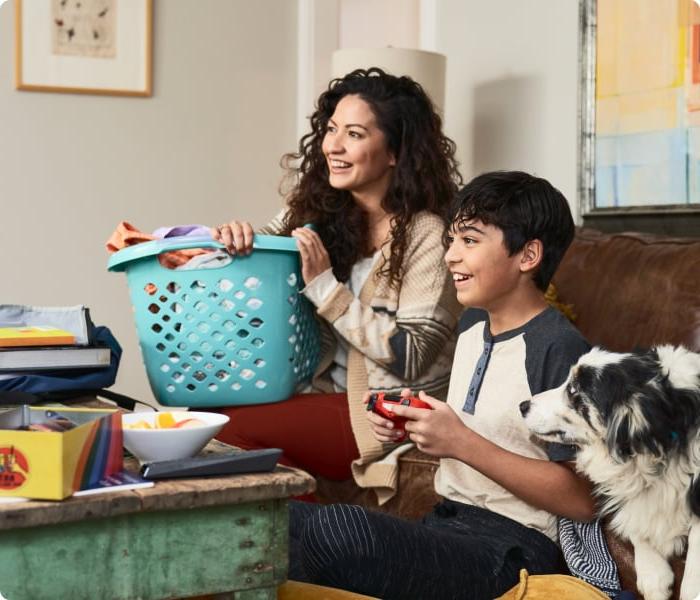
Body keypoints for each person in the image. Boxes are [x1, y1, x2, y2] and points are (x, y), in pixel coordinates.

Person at [288, 171, 609, 599]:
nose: (450, 257)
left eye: (470, 241)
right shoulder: (473, 326)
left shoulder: (560, 348)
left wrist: (460, 442)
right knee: (269, 517)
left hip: (509, 551)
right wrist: (414, 424)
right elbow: (485, 426)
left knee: (337, 529)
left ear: (528, 255)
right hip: (446, 523)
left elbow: (582, 499)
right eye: (451, 241)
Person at [210, 68, 464, 495]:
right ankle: (308, 531)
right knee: (199, 414)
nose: (334, 146)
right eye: (331, 130)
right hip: (321, 395)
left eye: (355, 134)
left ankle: (304, 543)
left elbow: (413, 354)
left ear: (395, 152)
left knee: (223, 428)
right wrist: (234, 240)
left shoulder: (427, 234)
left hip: (383, 415)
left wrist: (326, 288)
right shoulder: (318, 211)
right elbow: (256, 259)